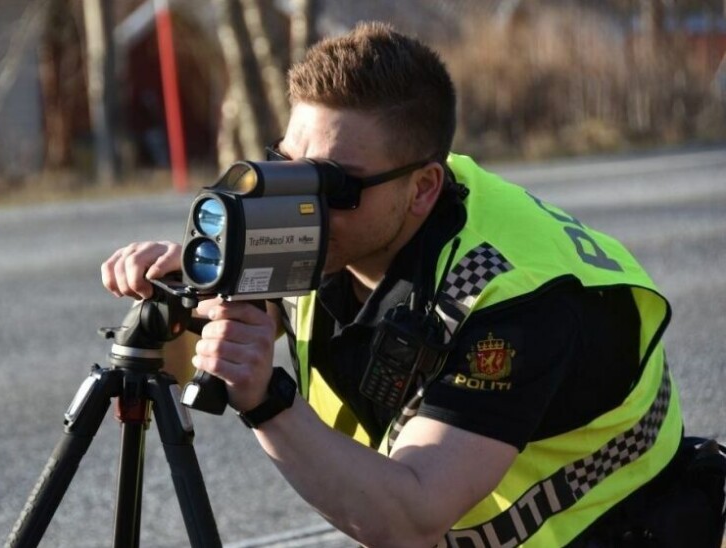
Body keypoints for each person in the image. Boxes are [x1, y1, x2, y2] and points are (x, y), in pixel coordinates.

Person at [102, 21, 723, 547]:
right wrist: (191, 296)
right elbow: (188, 372)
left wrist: (265, 400)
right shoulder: (349, 231)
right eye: (288, 167)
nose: (301, 207)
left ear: (423, 186)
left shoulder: (518, 300)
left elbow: (410, 517)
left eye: (335, 187)